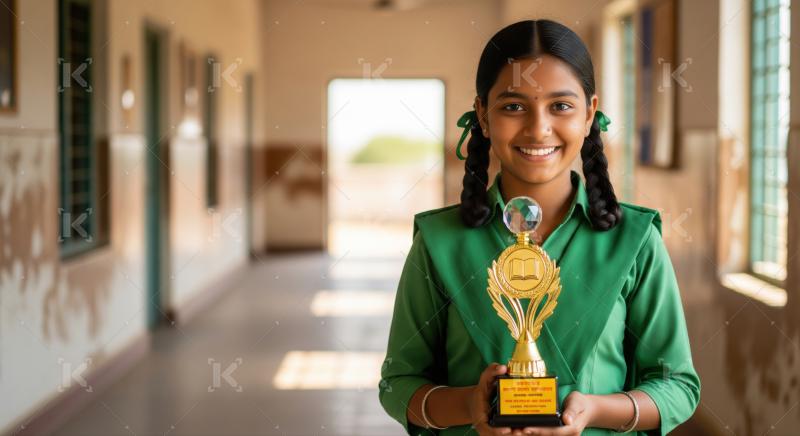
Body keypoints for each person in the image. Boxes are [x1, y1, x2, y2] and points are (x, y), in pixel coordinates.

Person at [377, 19, 700, 436]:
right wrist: (469, 407)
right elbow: (397, 383)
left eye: (561, 106)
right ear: (482, 114)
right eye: (513, 106)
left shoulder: (635, 239)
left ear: (589, 114)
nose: (538, 128)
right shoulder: (440, 241)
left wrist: (594, 411)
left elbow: (678, 385)